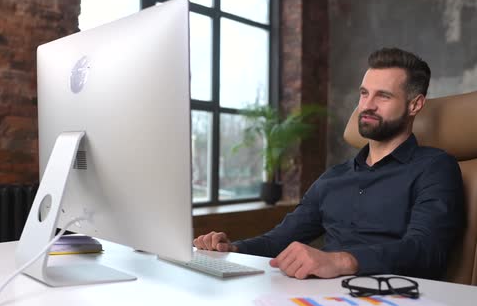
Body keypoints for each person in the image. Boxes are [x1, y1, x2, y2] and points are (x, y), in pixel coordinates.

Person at [193, 47, 465, 280]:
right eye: (363, 93)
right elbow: (279, 239)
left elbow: (426, 249)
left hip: (396, 302)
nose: (366, 106)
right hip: (321, 299)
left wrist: (341, 261)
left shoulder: (436, 168)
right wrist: (231, 249)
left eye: (383, 96)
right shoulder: (334, 177)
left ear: (415, 105)